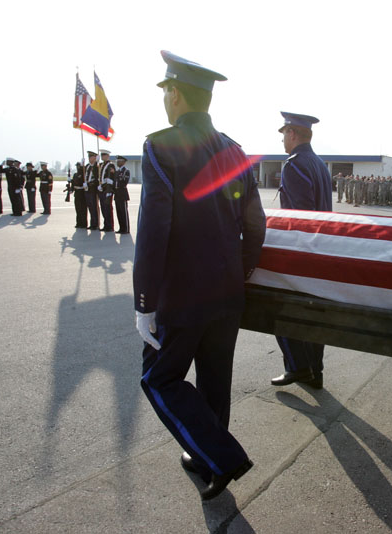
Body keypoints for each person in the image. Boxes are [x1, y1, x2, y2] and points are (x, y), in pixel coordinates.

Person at [133, 50, 266, 501]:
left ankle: (221, 458)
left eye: (165, 91)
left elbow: (153, 231)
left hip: (182, 297)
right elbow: (256, 224)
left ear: (174, 95)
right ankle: (210, 462)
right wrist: (241, 269)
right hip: (228, 292)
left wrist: (144, 304)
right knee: (214, 379)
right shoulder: (235, 151)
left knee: (158, 378)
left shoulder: (161, 146)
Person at [271, 111, 332, 389]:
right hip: (321, 249)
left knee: (279, 307)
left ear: (293, 133)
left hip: (301, 251)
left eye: (284, 133)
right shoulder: (318, 163)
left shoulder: (294, 165)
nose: (283, 139)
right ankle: (315, 371)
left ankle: (298, 367)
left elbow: (300, 218)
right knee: (315, 314)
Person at [98, 149, 116, 231]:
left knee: (108, 208)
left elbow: (111, 178)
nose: (102, 157)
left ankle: (110, 225)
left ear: (108, 156)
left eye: (104, 155)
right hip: (102, 189)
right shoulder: (101, 165)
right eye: (101, 155)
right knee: (103, 208)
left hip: (107, 190)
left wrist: (108, 189)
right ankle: (106, 225)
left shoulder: (110, 165)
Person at [114, 155, 130, 234]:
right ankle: (121, 227)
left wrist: (116, 184)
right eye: (117, 161)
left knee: (123, 212)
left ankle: (126, 228)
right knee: (119, 212)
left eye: (119, 161)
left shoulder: (125, 171)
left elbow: (124, 182)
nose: (117, 162)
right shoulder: (117, 171)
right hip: (117, 194)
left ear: (123, 162)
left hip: (122, 193)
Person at [84, 151, 100, 230]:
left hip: (93, 188)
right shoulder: (87, 166)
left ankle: (96, 223)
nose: (90, 158)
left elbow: (96, 174)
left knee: (94, 206)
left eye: (91, 157)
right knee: (90, 207)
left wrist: (96, 162)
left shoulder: (97, 166)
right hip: (87, 188)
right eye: (89, 157)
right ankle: (92, 223)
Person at [71, 162, 87, 228]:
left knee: (83, 209)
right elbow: (73, 184)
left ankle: (83, 224)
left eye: (79, 166)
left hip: (82, 193)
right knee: (77, 209)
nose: (77, 167)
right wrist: (71, 189)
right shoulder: (75, 174)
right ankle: (78, 223)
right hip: (77, 193)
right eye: (77, 166)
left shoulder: (84, 174)